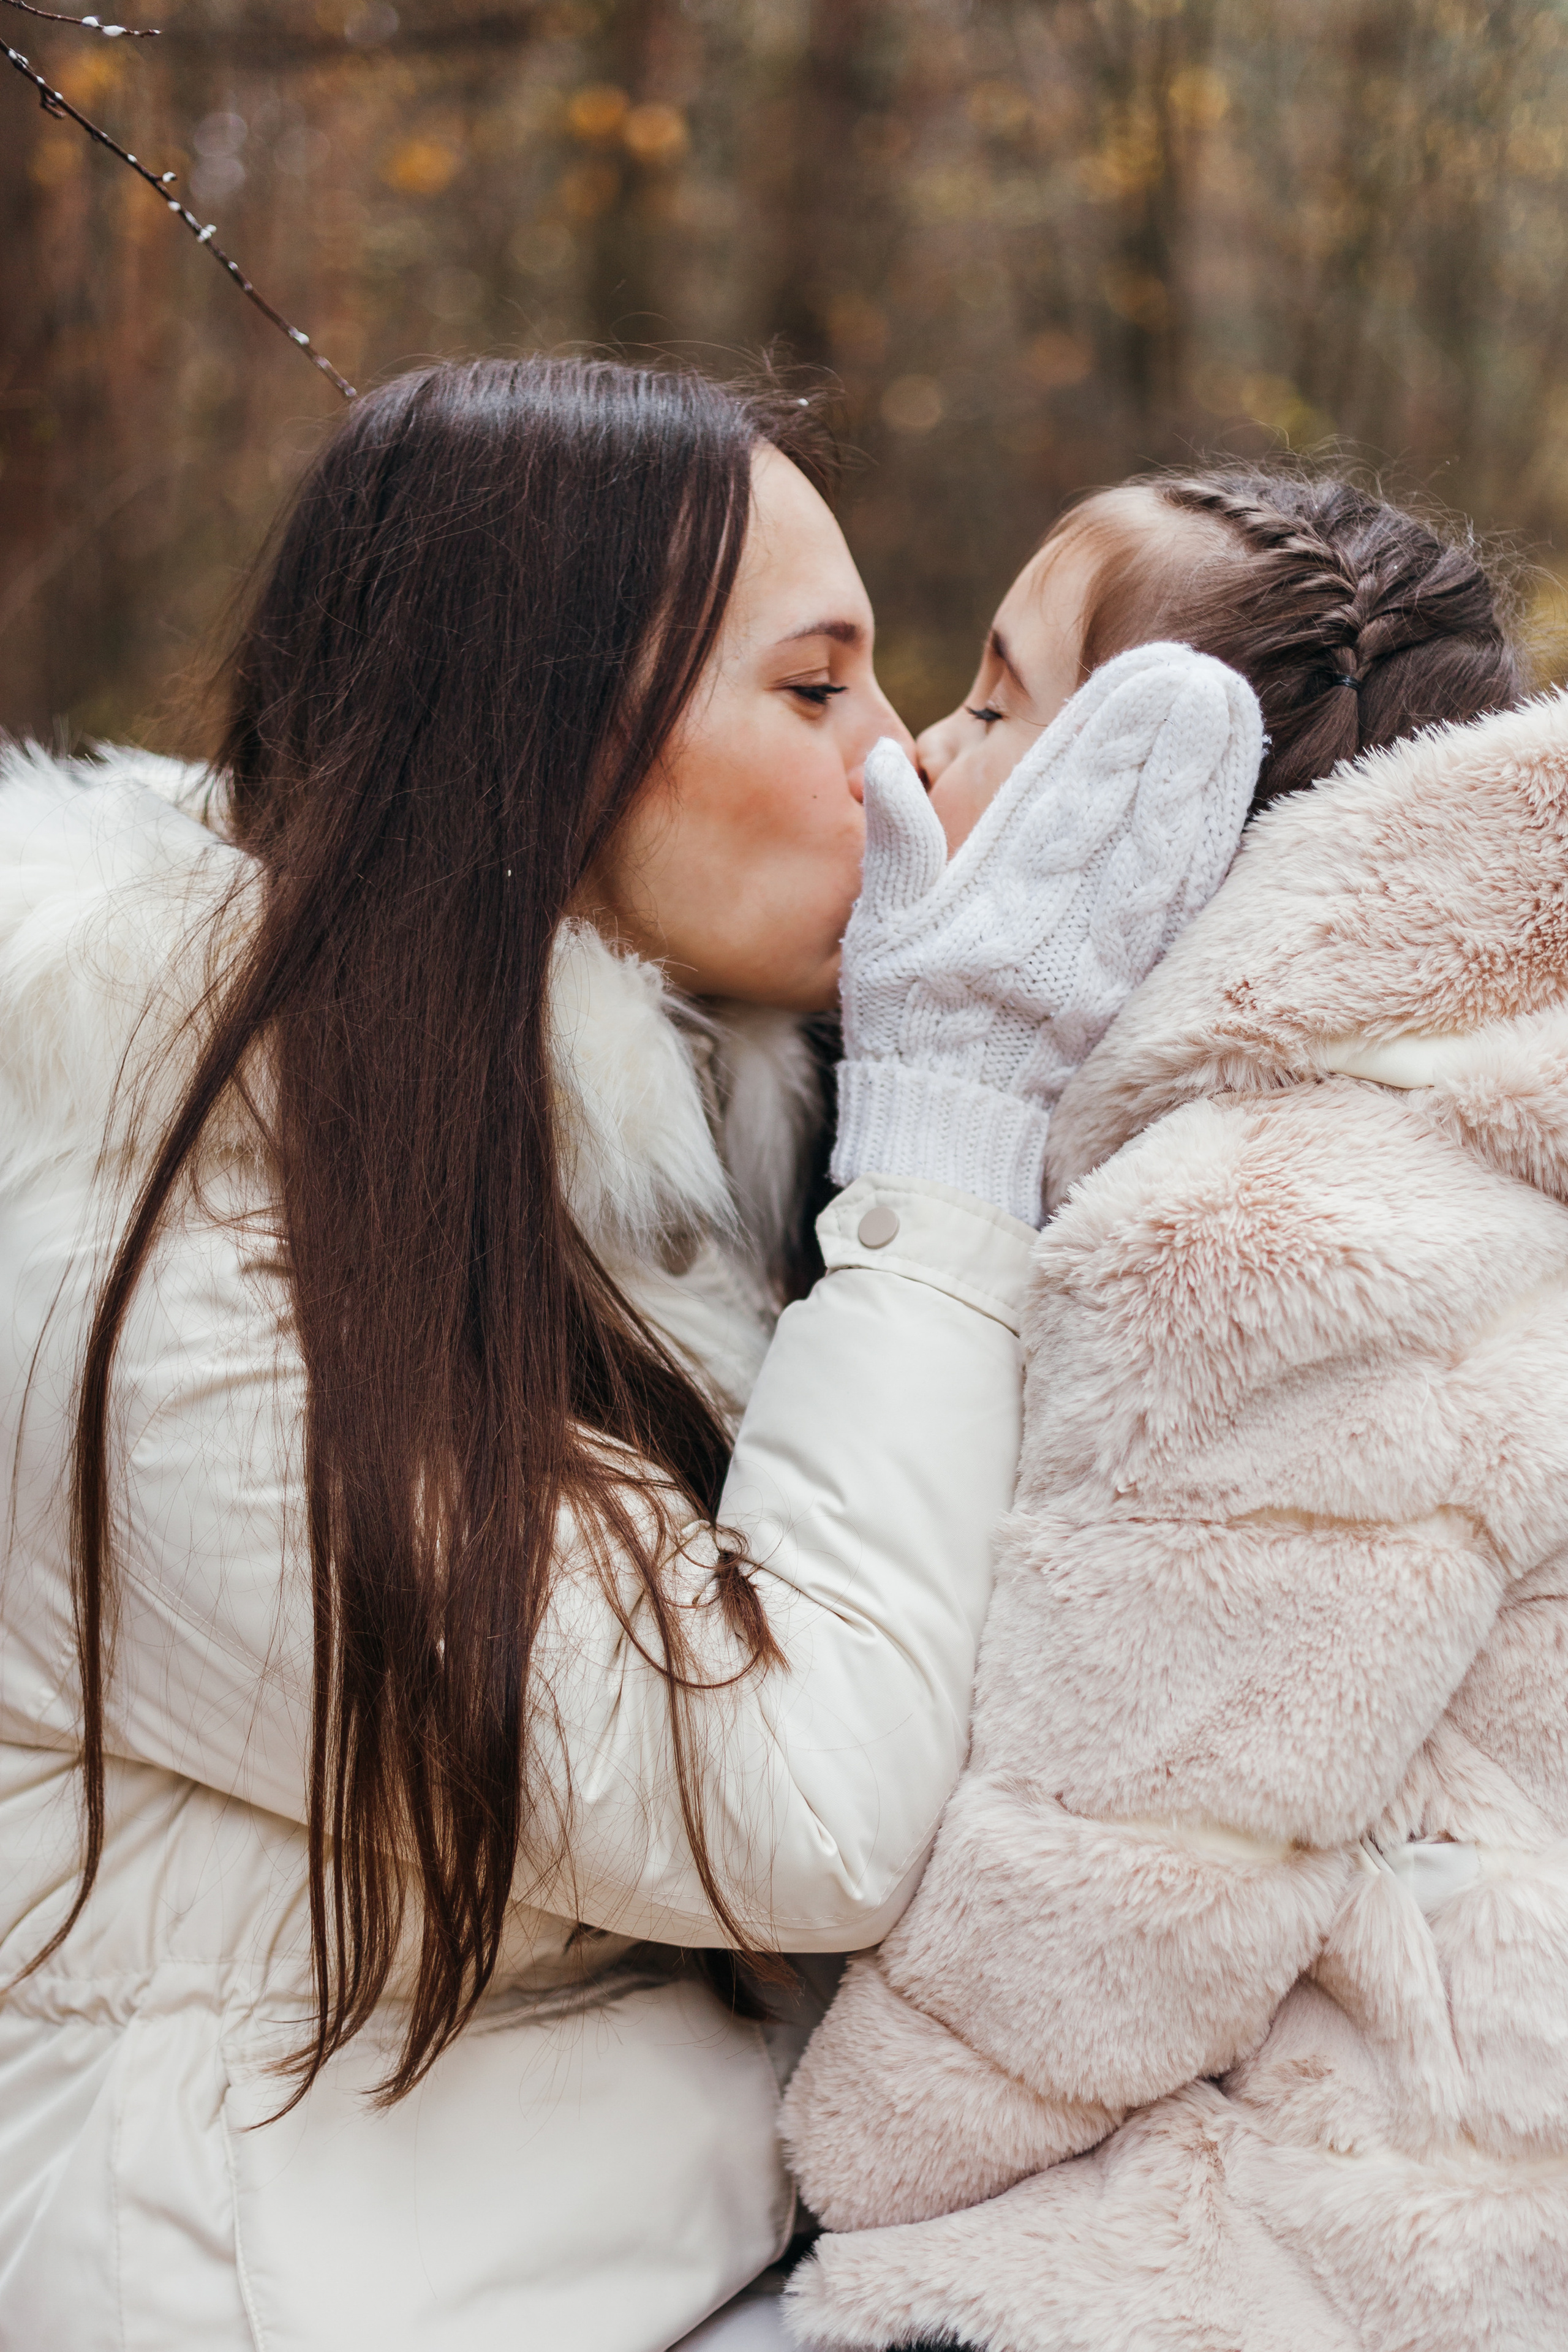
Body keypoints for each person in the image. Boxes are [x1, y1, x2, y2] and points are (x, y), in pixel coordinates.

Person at [0, 358, 1259, 2352]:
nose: (893, 770)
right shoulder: (126, 1272)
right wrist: (951, 1123)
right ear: (537, 743)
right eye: (813, 684)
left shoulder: (630, 1183)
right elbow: (806, 1806)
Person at [782, 477, 1568, 2351]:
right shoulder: (1430, 1127)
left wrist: (823, 2163)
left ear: (1152, 806)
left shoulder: (1256, 1227)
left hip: (1307, 2227)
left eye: (993, 702)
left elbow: (1137, 1879)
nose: (916, 752)